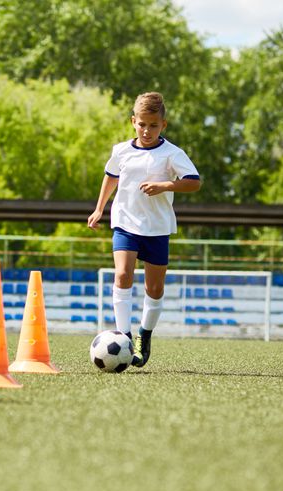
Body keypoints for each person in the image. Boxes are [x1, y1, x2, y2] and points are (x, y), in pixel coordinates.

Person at [87, 92, 201, 366]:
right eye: (142, 124)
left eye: (153, 125)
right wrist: (99, 208)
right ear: (133, 122)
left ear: (163, 125)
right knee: (123, 274)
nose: (146, 130)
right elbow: (110, 177)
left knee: (154, 287)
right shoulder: (121, 151)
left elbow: (194, 182)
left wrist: (166, 185)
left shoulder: (172, 154)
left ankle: (144, 335)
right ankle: (124, 335)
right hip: (125, 223)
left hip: (157, 227)